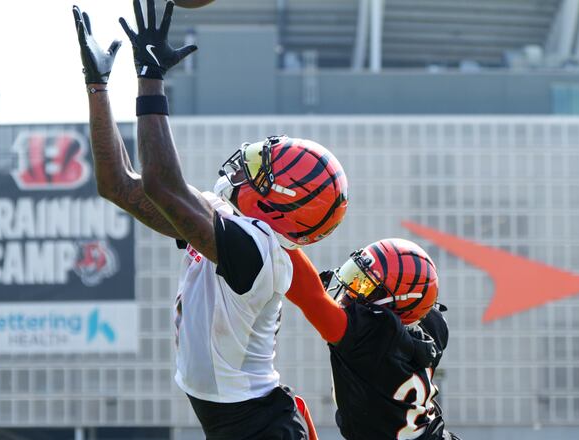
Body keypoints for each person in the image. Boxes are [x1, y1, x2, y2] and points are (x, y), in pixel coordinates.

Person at [71, 1, 348, 438]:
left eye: (264, 169)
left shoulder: (255, 250)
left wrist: (150, 76)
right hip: (241, 422)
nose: (247, 166)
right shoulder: (232, 229)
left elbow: (163, 186)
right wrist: (97, 86)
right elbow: (118, 186)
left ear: (280, 204)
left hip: (259, 429)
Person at [284, 239, 461, 440]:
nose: (350, 290)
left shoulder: (373, 337)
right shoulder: (428, 324)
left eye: (365, 285)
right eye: (356, 278)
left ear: (397, 303)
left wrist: (275, 237)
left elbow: (311, 297)